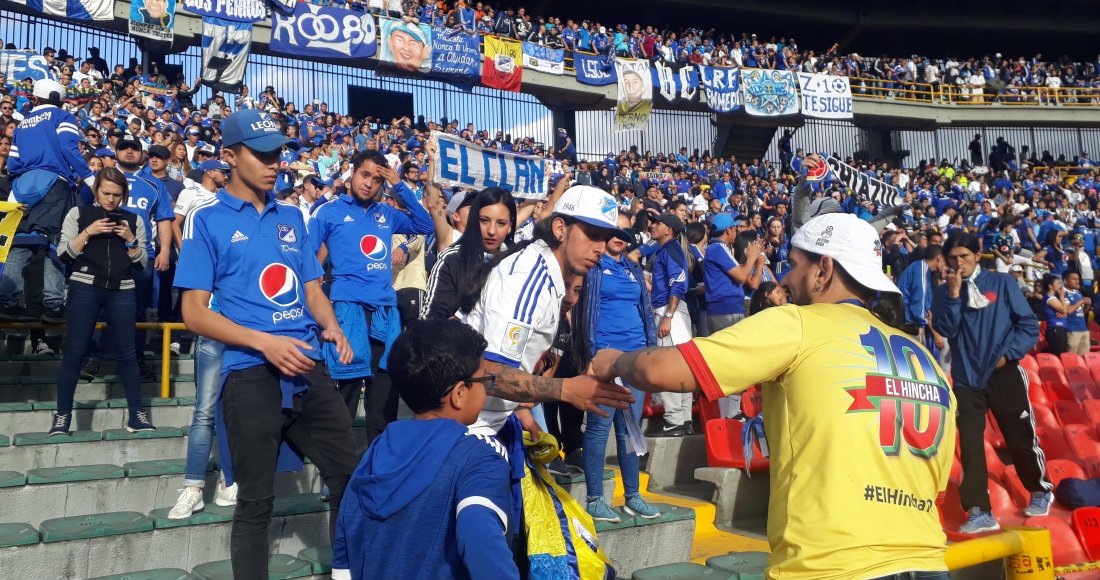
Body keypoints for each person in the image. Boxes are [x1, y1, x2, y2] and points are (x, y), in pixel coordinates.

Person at [591, 212, 955, 580]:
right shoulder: (927, 362)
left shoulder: (798, 325)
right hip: (927, 562)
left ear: (823, 270)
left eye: (794, 265)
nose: (784, 278)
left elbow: (660, 370)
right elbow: (937, 490)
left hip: (831, 566)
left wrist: (614, 360)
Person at [174, 109, 358, 578]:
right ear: (230, 157)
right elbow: (194, 313)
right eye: (262, 154)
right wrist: (264, 343)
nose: (274, 162)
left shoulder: (294, 216)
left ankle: (344, 570)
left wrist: (331, 325)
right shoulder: (205, 219)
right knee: (256, 502)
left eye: (278, 152)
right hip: (249, 371)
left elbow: (313, 288)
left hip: (307, 363)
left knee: (349, 476)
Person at [332, 319, 517, 580]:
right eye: (484, 379)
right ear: (460, 393)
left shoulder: (374, 453)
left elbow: (344, 554)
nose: (486, 388)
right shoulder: (478, 456)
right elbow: (479, 533)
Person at [309, 149, 433, 445]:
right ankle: (338, 472)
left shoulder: (386, 213)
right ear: (351, 173)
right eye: (365, 175)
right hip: (347, 308)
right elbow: (309, 260)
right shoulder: (328, 212)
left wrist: (399, 185)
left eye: (377, 180)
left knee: (384, 391)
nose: (369, 184)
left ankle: (378, 465)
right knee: (348, 388)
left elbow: (426, 227)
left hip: (385, 311)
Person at [931, 232, 1050, 534]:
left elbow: (1026, 325)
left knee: (1019, 436)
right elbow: (945, 328)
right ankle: (979, 511)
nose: (959, 263)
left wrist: (1008, 355)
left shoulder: (1002, 283)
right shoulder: (945, 292)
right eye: (953, 258)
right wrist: (955, 295)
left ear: (977, 254)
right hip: (966, 380)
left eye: (964, 256)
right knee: (970, 445)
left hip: (1004, 373)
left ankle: (1039, 489)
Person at [48, 168, 154, 435]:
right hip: (85, 285)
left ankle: (137, 415)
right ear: (96, 191)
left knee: (128, 354)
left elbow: (142, 264)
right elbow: (64, 254)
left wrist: (130, 239)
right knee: (74, 352)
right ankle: (62, 417)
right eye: (106, 193)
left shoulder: (134, 220)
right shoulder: (79, 214)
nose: (111, 200)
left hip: (122, 289)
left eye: (117, 195)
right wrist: (89, 232)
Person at [165, 158, 237, 520]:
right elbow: (196, 289)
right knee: (205, 411)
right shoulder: (205, 213)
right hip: (214, 327)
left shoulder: (265, 217)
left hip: (244, 331)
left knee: (234, 409)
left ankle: (230, 481)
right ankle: (192, 488)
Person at [582, 211, 660, 522]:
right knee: (600, 428)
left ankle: (633, 496)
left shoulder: (632, 268)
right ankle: (594, 499)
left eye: (626, 232)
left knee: (630, 429)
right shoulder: (594, 266)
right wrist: (590, 353)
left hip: (636, 357)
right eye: (615, 230)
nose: (620, 236)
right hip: (604, 357)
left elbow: (645, 310)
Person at [3, 79, 92, 323]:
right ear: (60, 99)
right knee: (55, 242)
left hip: (22, 186)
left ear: (35, 99)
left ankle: (6, 300)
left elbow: (12, 163)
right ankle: (53, 305)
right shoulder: (63, 117)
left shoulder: (21, 124)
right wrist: (90, 178)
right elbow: (69, 149)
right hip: (55, 184)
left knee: (20, 243)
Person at [648, 212, 694, 436]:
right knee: (683, 366)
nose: (652, 225)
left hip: (670, 312)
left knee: (668, 367)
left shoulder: (670, 249)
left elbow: (678, 283)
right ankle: (683, 420)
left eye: (658, 223)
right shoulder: (668, 248)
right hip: (675, 312)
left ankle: (675, 419)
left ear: (669, 230)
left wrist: (667, 315)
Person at [704, 214, 759, 334]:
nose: (737, 232)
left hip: (723, 310)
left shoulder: (715, 248)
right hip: (726, 311)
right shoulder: (718, 248)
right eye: (735, 229)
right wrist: (752, 258)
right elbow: (742, 277)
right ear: (728, 230)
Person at [897, 245, 945, 353]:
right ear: (939, 257)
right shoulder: (921, 268)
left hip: (910, 321)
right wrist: (921, 323)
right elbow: (919, 298)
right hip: (909, 324)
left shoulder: (922, 269)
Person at [1063, 271, 1091, 356]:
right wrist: (1081, 301)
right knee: (1071, 357)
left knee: (1084, 358)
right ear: (1065, 281)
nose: (1077, 281)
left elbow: (1082, 312)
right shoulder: (1063, 293)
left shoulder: (1078, 293)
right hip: (1072, 330)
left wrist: (1088, 305)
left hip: (1083, 329)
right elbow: (1068, 311)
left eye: (1078, 279)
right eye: (1074, 279)